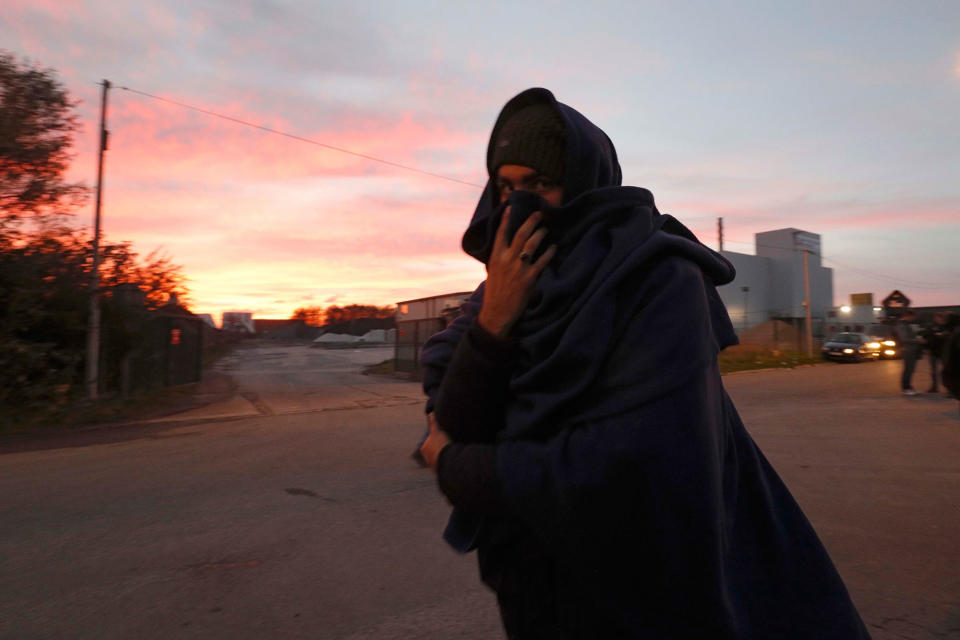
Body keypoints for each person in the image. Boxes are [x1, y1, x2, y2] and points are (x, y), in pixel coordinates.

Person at [418, 88, 869, 639]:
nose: (517, 208)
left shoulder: (656, 281)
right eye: (506, 187)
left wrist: (459, 468)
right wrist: (493, 325)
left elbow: (626, 469)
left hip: (643, 598)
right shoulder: (503, 288)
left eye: (539, 184)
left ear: (586, 181)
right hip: (534, 592)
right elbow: (451, 415)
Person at [897, 309, 922, 396]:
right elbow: (904, 339)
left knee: (910, 370)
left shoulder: (906, 324)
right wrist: (917, 340)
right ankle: (906, 388)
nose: (913, 319)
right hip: (908, 350)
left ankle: (909, 387)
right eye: (913, 317)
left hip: (910, 350)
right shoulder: (902, 325)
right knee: (908, 369)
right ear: (908, 315)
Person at [921, 312, 947, 393]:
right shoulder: (930, 326)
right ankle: (934, 387)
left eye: (939, 317)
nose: (937, 319)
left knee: (946, 371)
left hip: (943, 352)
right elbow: (925, 336)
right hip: (933, 352)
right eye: (936, 317)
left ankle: (950, 388)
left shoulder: (945, 326)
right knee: (933, 371)